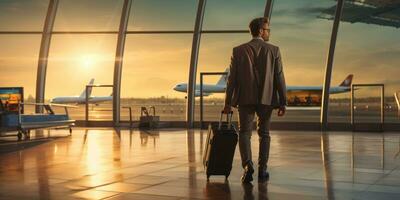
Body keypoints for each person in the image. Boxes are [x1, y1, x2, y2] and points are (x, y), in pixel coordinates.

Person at [223, 17, 287, 183]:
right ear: (260, 31)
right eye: (267, 30)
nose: (269, 32)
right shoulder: (274, 50)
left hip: (245, 98)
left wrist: (227, 103)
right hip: (267, 99)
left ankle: (247, 165)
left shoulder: (238, 50)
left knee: (244, 133)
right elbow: (279, 77)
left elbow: (232, 79)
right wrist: (283, 101)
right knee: (264, 134)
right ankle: (262, 169)